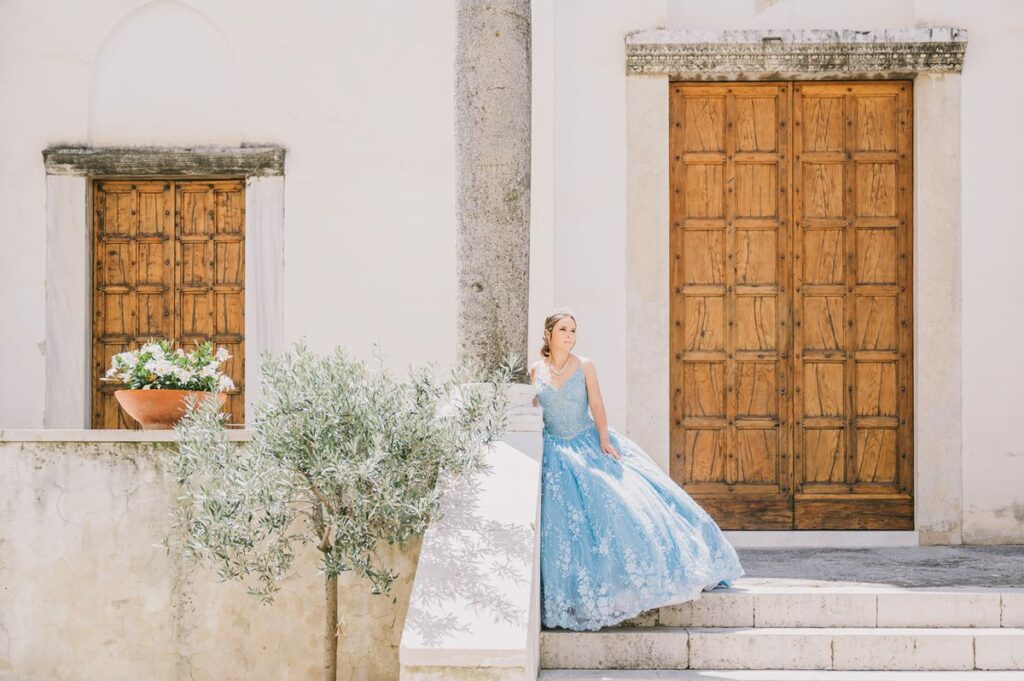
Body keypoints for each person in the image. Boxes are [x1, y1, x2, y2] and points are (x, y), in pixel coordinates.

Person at [530, 308, 744, 631]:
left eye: (573, 330)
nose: (570, 336)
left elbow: (597, 403)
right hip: (555, 452)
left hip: (585, 442)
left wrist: (603, 438)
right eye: (563, 330)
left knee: (620, 506)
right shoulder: (535, 370)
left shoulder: (585, 365)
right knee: (562, 529)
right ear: (549, 334)